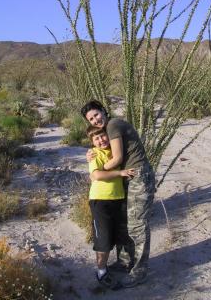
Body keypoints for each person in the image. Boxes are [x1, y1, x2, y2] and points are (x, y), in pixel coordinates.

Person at [81, 99, 155, 288]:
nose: (95, 120)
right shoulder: (107, 130)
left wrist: (96, 172)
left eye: (96, 114)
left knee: (138, 224)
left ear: (104, 111)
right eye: (91, 119)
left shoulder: (113, 125)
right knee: (125, 222)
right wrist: (91, 155)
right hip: (128, 178)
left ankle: (139, 271)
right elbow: (104, 149)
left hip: (137, 175)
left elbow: (118, 158)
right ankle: (124, 262)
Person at [87, 125, 135, 289]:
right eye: (97, 138)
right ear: (92, 142)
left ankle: (118, 264)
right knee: (104, 240)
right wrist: (119, 173)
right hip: (100, 201)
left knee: (117, 236)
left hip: (118, 199)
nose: (101, 140)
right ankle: (101, 272)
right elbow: (96, 175)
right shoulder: (94, 154)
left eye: (103, 136)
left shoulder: (116, 151)